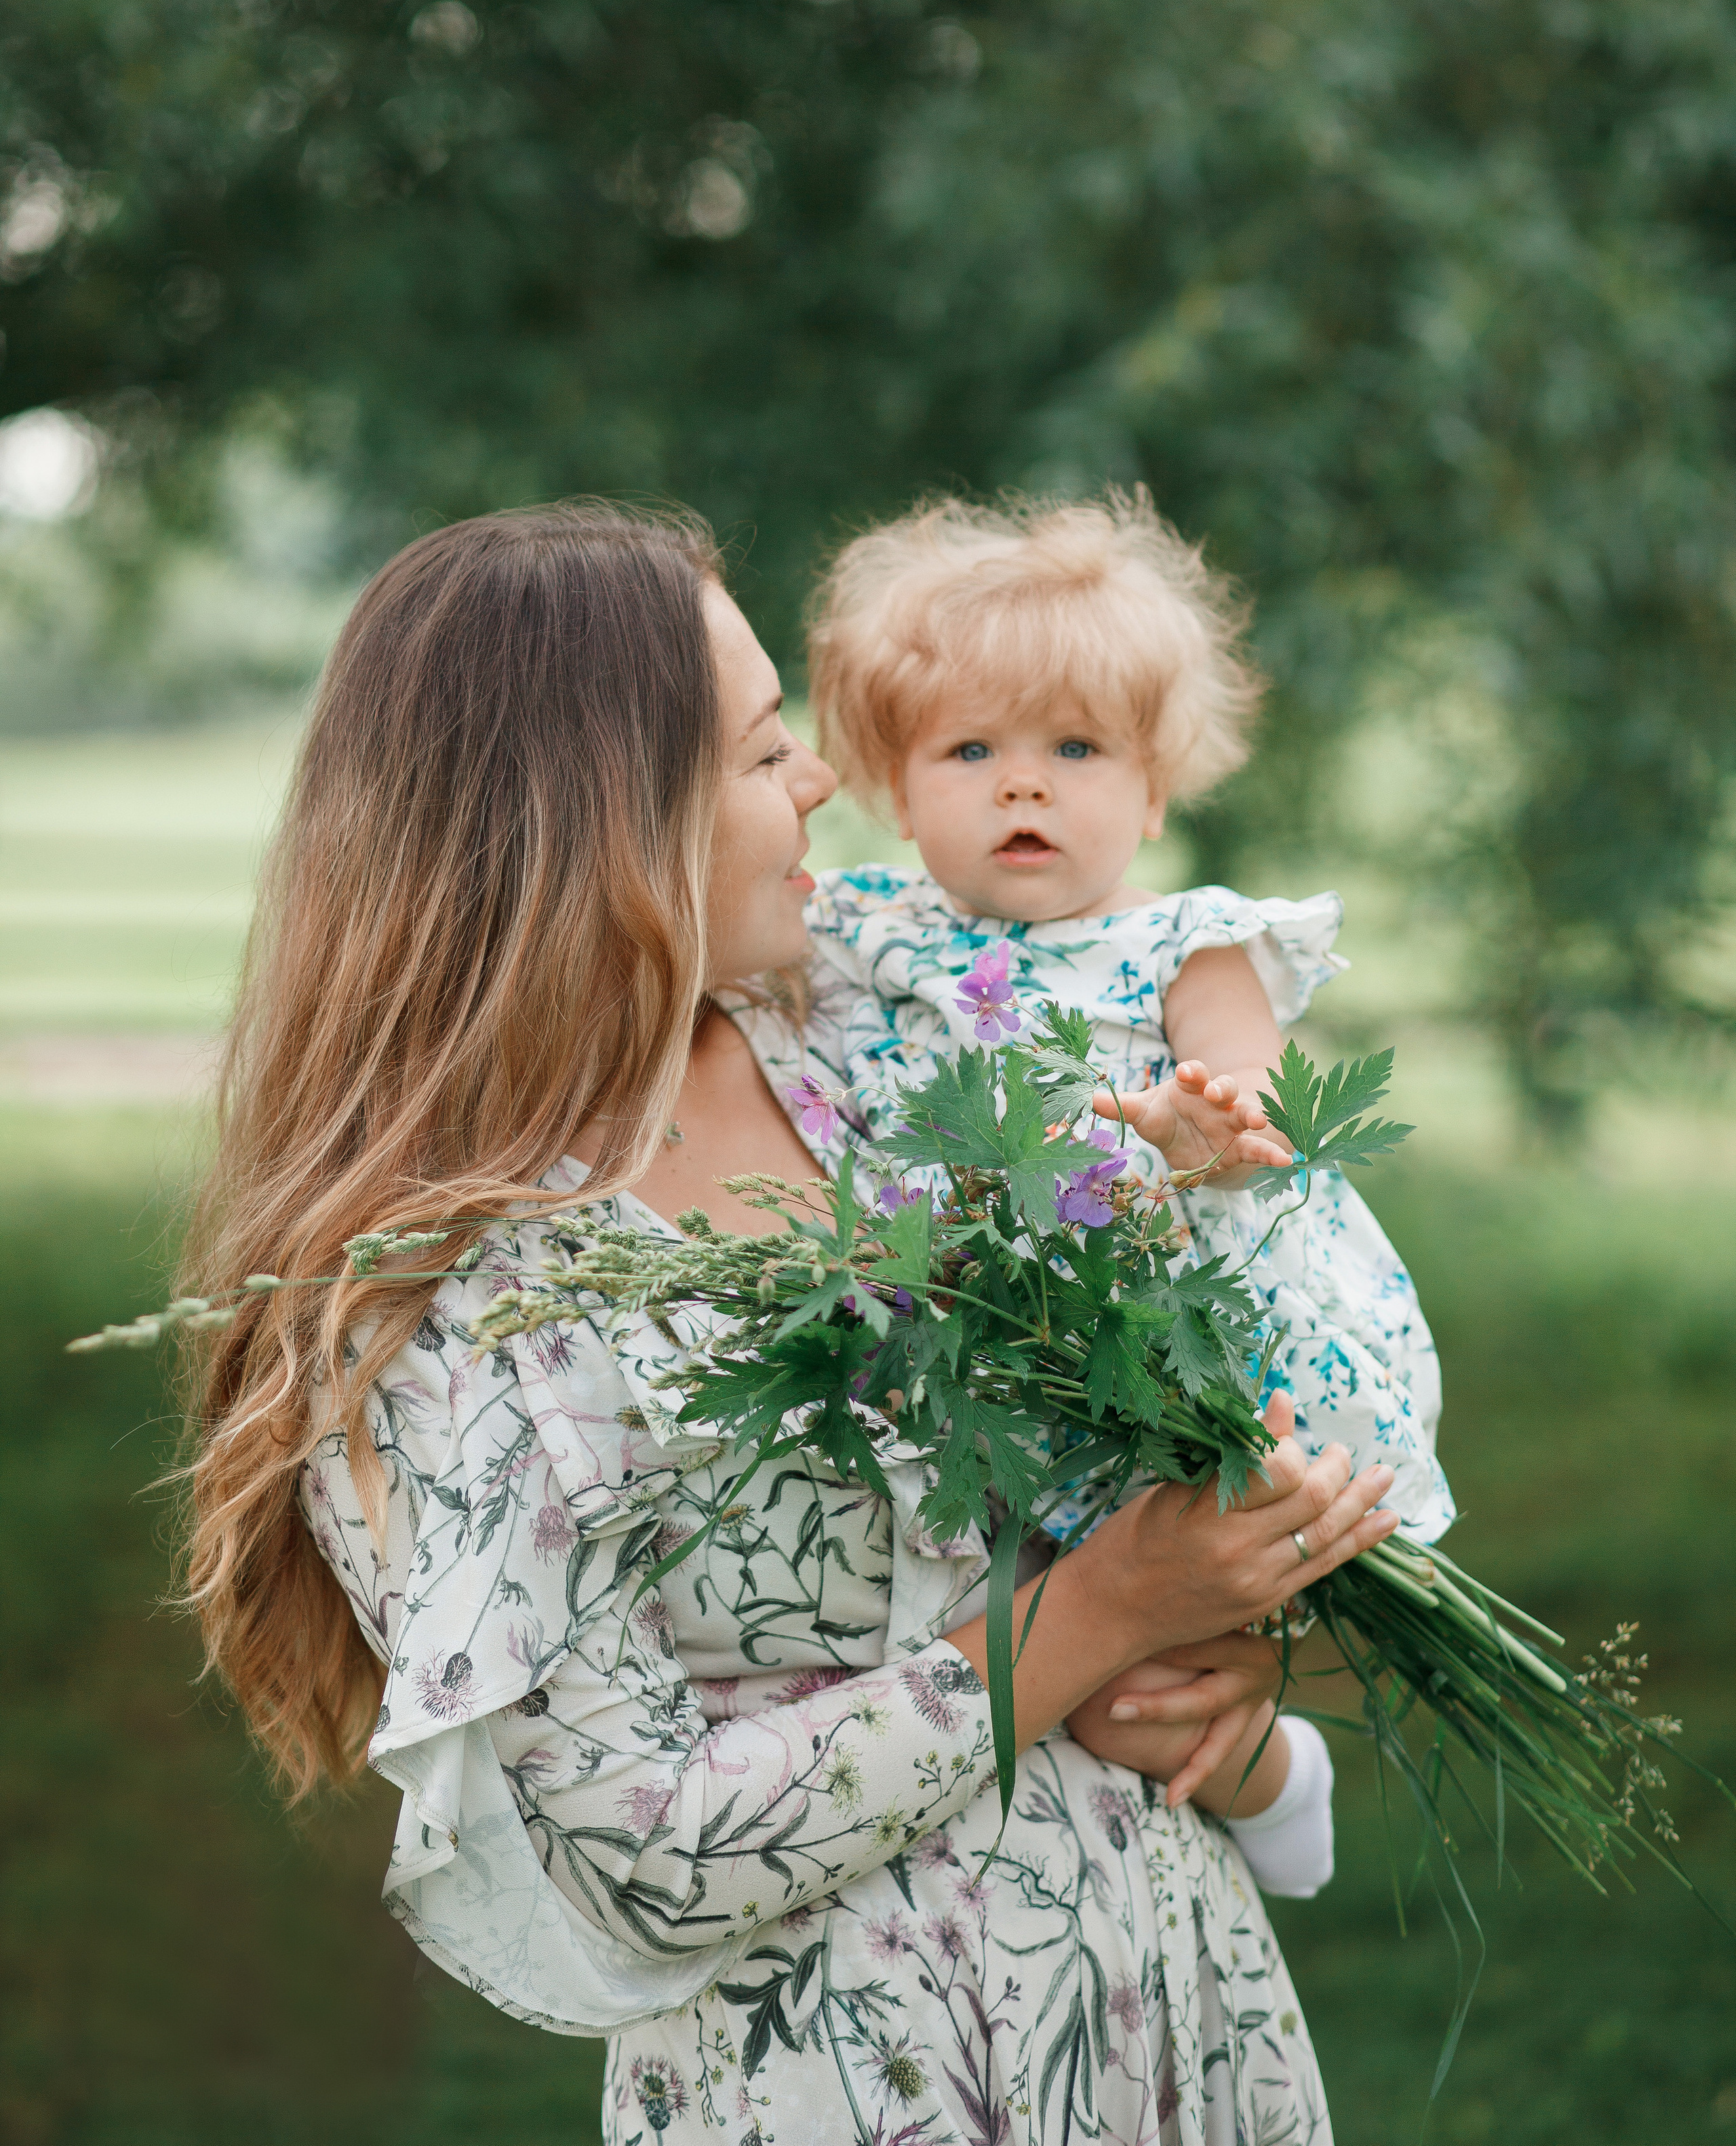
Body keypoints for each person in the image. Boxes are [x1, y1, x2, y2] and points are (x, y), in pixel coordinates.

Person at [184, 502, 1399, 2146]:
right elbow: (646, 1857)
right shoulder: (444, 1294)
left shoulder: (856, 1051)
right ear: (608, 820)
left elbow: (1092, 1492)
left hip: (1168, 2005)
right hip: (852, 2079)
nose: (824, 780)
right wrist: (1100, 1615)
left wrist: (1225, 1671)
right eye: (765, 754)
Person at [798, 488, 1454, 1784]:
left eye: (1078, 751)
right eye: (969, 751)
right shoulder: (860, 927)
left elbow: (1256, 1115)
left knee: (1174, 1631)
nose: (1025, 780)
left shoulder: (1182, 941)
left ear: (1154, 792)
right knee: (1084, 1659)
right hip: (993, 1333)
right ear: (892, 784)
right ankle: (1248, 1776)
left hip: (1164, 1309)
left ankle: (1276, 1790)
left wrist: (1187, 1131)